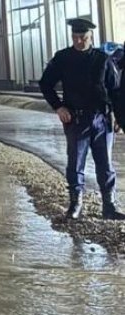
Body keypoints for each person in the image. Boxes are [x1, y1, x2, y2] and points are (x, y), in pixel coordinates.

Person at [39, 17, 125, 221]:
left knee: (105, 165)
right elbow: (45, 84)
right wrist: (58, 107)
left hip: (102, 120)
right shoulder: (62, 58)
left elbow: (115, 92)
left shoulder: (103, 59)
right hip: (76, 120)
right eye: (75, 37)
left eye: (83, 37)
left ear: (91, 36)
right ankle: (76, 205)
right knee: (75, 164)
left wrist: (119, 119)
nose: (79, 41)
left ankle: (109, 206)